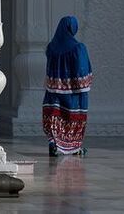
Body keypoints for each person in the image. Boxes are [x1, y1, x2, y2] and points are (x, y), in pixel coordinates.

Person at [43, 16, 93, 156]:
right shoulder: (78, 48)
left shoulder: (51, 47)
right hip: (74, 93)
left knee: (55, 118)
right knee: (73, 118)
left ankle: (53, 143)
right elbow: (82, 69)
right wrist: (81, 85)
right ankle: (74, 147)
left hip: (53, 92)